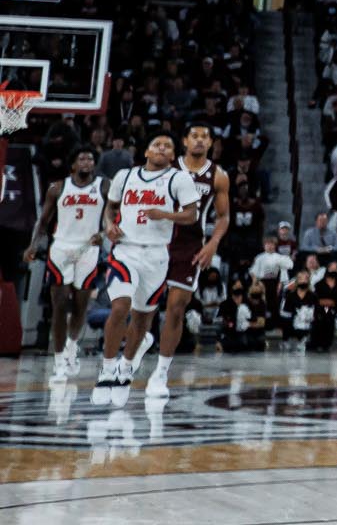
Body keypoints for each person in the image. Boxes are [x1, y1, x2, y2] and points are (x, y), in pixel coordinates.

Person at [91, 135, 203, 406]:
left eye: (168, 145)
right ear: (146, 151)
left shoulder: (179, 179)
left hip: (156, 254)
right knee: (120, 306)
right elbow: (111, 208)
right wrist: (109, 225)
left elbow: (192, 215)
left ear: (173, 154)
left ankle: (126, 368)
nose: (162, 148)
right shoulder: (124, 176)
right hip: (126, 250)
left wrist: (166, 215)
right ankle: (106, 370)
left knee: (142, 320)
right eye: (157, 144)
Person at [147, 124, 228, 400]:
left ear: (211, 142)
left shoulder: (219, 175)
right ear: (184, 141)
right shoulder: (167, 167)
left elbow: (223, 217)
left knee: (177, 307)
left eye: (205, 136)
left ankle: (161, 372)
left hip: (191, 245)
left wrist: (212, 244)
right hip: (157, 240)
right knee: (142, 304)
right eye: (194, 135)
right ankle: (137, 344)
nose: (200, 140)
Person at [28, 146, 105, 381]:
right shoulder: (57, 187)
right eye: (81, 158)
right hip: (61, 248)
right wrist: (33, 245)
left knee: (81, 306)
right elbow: (43, 221)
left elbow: (114, 215)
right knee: (59, 304)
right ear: (72, 164)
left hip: (88, 250)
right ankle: (59, 360)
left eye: (90, 158)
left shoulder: (104, 186)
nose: (86, 162)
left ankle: (72, 348)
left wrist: (104, 231)